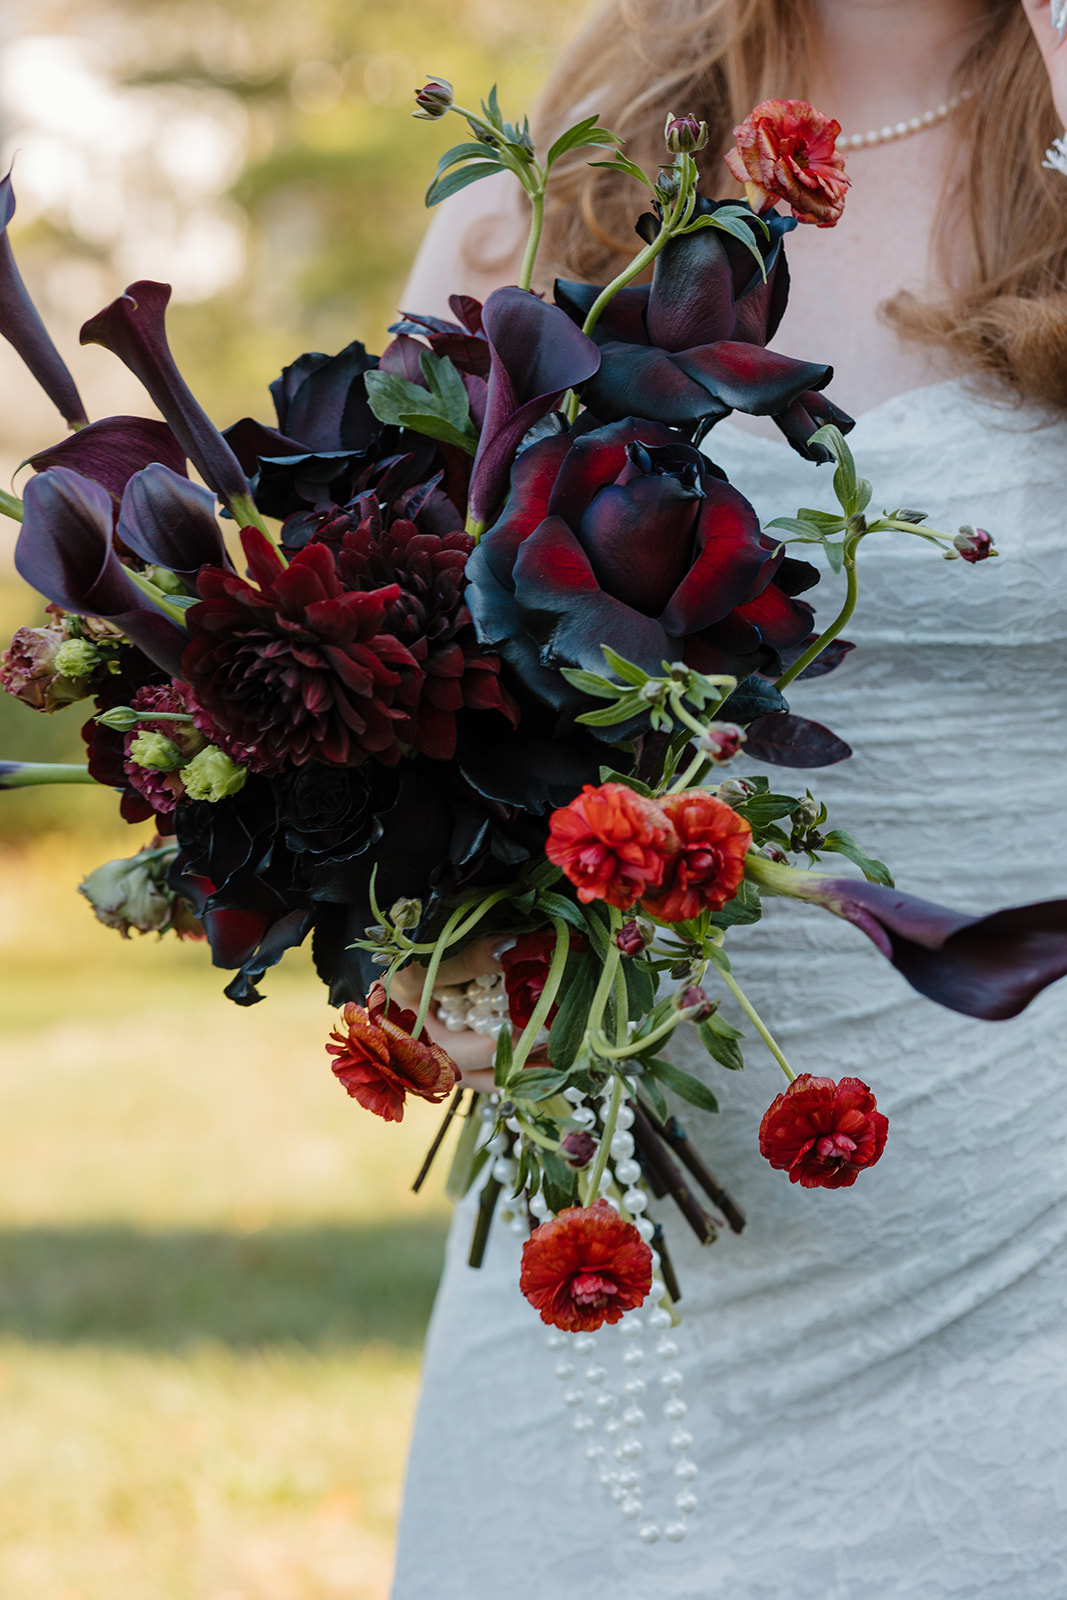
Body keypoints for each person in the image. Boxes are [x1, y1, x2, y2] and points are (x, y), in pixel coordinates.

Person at [391, 2, 1067, 1594]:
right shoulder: (557, 166)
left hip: (1026, 1240)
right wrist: (423, 929)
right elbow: (406, 634)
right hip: (617, 1258)